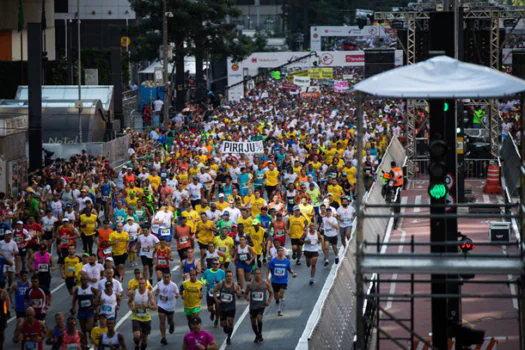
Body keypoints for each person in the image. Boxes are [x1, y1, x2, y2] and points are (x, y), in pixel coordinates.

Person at [213, 270, 241, 345]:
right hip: (222, 308)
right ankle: (226, 328)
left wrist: (239, 294)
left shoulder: (235, 285)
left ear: (232, 277)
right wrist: (216, 299)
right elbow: (214, 291)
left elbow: (239, 295)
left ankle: (228, 338)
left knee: (231, 322)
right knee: (223, 324)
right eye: (227, 276)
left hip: (231, 307)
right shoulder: (221, 284)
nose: (229, 277)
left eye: (230, 276)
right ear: (225, 277)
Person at [245, 268, 273, 344]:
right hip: (253, 306)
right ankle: (258, 335)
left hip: (261, 305)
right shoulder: (250, 284)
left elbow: (271, 292)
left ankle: (259, 334)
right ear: (254, 275)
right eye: (256, 274)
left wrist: (268, 301)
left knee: (259, 318)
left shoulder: (265, 284)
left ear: (261, 275)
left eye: (259, 274)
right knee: (253, 322)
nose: (257, 275)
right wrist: (247, 297)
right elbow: (245, 293)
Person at [266, 246, 296, 316]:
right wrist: (267, 278)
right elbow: (268, 268)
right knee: (276, 296)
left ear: (283, 252)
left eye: (282, 251)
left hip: (283, 281)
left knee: (281, 294)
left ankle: (280, 310)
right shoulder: (273, 261)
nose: (280, 252)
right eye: (279, 251)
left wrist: (293, 273)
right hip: (275, 281)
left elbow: (289, 269)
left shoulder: (287, 261)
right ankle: (277, 299)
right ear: (277, 252)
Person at [129, 277, 156, 350]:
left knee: (144, 339)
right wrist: (132, 308)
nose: (141, 285)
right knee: (136, 336)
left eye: (143, 283)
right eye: (140, 283)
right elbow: (129, 302)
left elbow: (155, 307)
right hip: (136, 317)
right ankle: (136, 344)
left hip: (146, 318)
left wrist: (147, 306)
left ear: (145, 284)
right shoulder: (134, 293)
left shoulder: (149, 293)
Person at [155, 272, 179, 345]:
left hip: (170, 306)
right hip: (161, 305)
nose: (166, 279)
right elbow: (157, 291)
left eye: (167, 277)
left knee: (170, 321)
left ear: (170, 277)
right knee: (162, 321)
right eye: (165, 277)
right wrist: (156, 293)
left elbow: (177, 294)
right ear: (163, 277)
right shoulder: (159, 284)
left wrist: (177, 296)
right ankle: (163, 337)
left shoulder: (173, 285)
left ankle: (171, 325)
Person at [71, 274, 97, 344]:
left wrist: (95, 304)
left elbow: (98, 294)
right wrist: (74, 308)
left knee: (88, 327)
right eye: (82, 280)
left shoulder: (91, 288)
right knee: (83, 330)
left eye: (85, 279)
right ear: (80, 280)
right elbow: (74, 300)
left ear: (87, 280)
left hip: (90, 311)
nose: (84, 281)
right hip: (81, 311)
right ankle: (85, 345)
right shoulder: (78, 289)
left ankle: (91, 335)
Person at [202, 258, 225, 328]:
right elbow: (202, 278)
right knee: (210, 308)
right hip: (210, 292)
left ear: (219, 265)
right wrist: (205, 283)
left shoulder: (222, 272)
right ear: (212, 264)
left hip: (218, 293)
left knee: (218, 308)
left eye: (217, 264)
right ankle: (212, 312)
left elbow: (224, 280)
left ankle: (217, 319)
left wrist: (222, 287)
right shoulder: (207, 271)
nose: (215, 265)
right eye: (214, 264)